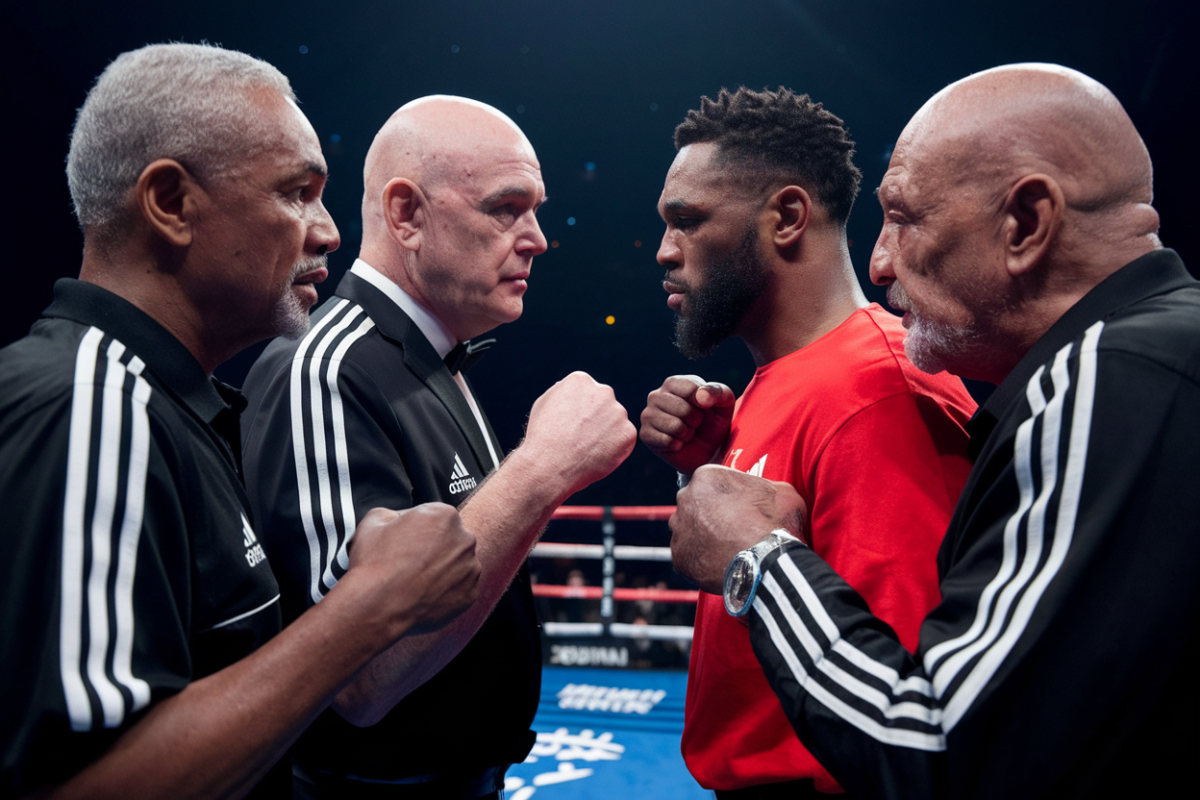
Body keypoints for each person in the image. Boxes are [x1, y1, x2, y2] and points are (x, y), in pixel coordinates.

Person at [668, 64, 1200, 799]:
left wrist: (755, 562)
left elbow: (940, 745)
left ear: (1025, 223)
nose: (880, 258)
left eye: (906, 217)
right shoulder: (1151, 361)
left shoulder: (1109, 375)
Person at [0, 43, 483, 799]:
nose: (327, 232)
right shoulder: (91, 399)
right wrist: (367, 608)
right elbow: (76, 785)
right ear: (171, 203)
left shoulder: (162, 402)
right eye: (297, 192)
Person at [240, 95, 636, 798]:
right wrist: (541, 471)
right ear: (407, 215)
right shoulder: (326, 365)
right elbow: (357, 678)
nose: (538, 237)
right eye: (505, 207)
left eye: (536, 209)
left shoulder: (432, 359)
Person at [639, 87, 977, 797]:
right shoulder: (781, 381)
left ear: (787, 216)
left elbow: (914, 713)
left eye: (688, 221)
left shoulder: (879, 392)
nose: (665, 251)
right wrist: (699, 470)